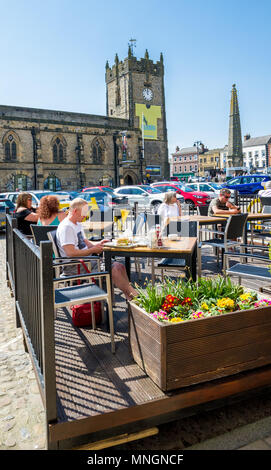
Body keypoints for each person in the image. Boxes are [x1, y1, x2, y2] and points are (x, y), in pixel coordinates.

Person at [56, 197, 138, 300]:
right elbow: (70, 253)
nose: (85, 216)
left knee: (120, 266)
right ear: (75, 211)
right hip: (75, 266)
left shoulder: (76, 224)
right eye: (84, 212)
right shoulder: (66, 227)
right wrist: (93, 250)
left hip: (86, 261)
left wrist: (98, 244)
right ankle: (134, 296)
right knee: (115, 268)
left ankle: (129, 296)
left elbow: (86, 243)